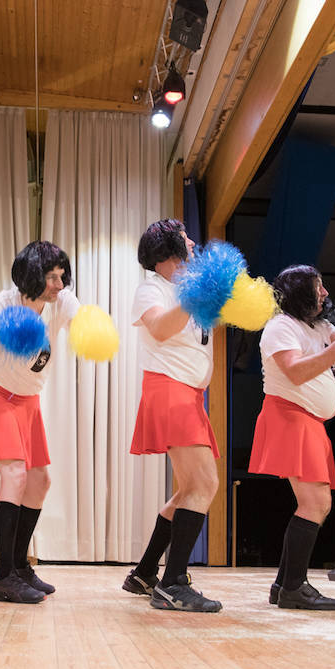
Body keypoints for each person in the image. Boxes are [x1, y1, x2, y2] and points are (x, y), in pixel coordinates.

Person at [0, 241, 79, 604]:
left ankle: (21, 567)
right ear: (31, 276)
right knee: (14, 476)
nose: (59, 285)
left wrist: (93, 330)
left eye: (62, 276)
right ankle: (3, 577)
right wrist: (4, 336)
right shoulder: (0, 304)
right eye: (51, 277)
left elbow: (83, 323)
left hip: (28, 401)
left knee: (39, 481)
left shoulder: (61, 302)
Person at [246, 265, 335, 610]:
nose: (325, 293)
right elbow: (296, 372)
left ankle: (285, 584)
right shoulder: (280, 326)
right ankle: (293, 588)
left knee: (314, 504)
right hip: (290, 418)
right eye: (318, 288)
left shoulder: (319, 326)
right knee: (316, 504)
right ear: (300, 293)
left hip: (308, 422)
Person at [120, 219, 222, 613]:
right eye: (184, 238)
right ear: (166, 249)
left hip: (189, 395)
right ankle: (173, 583)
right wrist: (197, 295)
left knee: (188, 490)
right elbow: (161, 329)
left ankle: (145, 573)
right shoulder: (152, 288)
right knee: (204, 483)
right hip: (170, 390)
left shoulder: (183, 291)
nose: (193, 242)